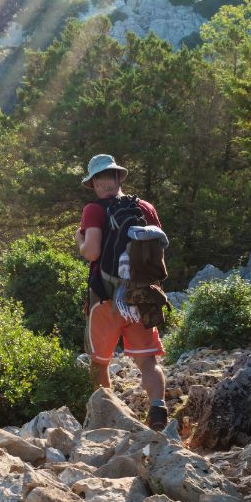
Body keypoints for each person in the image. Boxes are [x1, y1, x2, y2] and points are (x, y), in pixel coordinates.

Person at [74, 154, 169, 429]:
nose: (103, 182)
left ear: (94, 183)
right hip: (142, 296)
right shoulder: (146, 207)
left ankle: (107, 421)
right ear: (118, 177)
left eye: (102, 177)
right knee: (147, 360)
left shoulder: (94, 209)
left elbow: (92, 251)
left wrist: (80, 241)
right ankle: (157, 407)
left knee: (99, 362)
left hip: (105, 297)